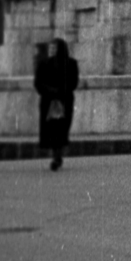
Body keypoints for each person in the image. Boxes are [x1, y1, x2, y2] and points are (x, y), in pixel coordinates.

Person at [34, 38, 79, 171]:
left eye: (54, 48)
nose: (51, 51)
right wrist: (51, 91)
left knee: (62, 129)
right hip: (48, 101)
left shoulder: (71, 63)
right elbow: (38, 82)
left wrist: (60, 92)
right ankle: (56, 157)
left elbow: (73, 82)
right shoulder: (43, 63)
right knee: (52, 129)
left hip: (64, 101)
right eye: (50, 48)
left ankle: (57, 156)